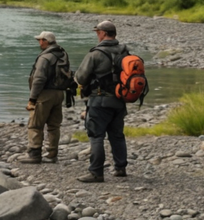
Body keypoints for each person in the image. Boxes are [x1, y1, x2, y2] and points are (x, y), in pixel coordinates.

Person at [73, 20, 130, 183]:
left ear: (104, 33)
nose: (97, 35)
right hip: (120, 100)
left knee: (96, 135)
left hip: (99, 102)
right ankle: (120, 168)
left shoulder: (95, 54)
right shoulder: (125, 52)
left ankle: (96, 172)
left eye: (97, 32)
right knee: (117, 135)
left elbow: (81, 77)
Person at [21, 31, 69, 164]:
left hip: (45, 94)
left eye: (40, 40)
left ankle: (34, 154)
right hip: (59, 94)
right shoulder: (62, 54)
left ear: (45, 41)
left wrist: (32, 98)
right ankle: (52, 154)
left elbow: (39, 79)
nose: (39, 42)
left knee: (35, 124)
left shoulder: (45, 57)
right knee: (54, 125)